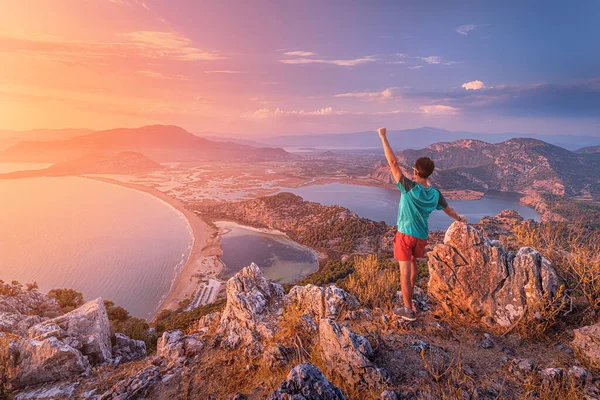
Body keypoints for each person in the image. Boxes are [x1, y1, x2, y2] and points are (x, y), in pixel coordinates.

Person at [378, 127, 467, 321]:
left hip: (404, 235)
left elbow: (392, 162)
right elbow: (449, 210)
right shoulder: (435, 194)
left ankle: (408, 309)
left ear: (416, 172)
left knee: (404, 272)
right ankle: (412, 299)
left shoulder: (409, 188)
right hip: (420, 236)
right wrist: (460, 219)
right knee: (412, 263)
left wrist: (383, 136)